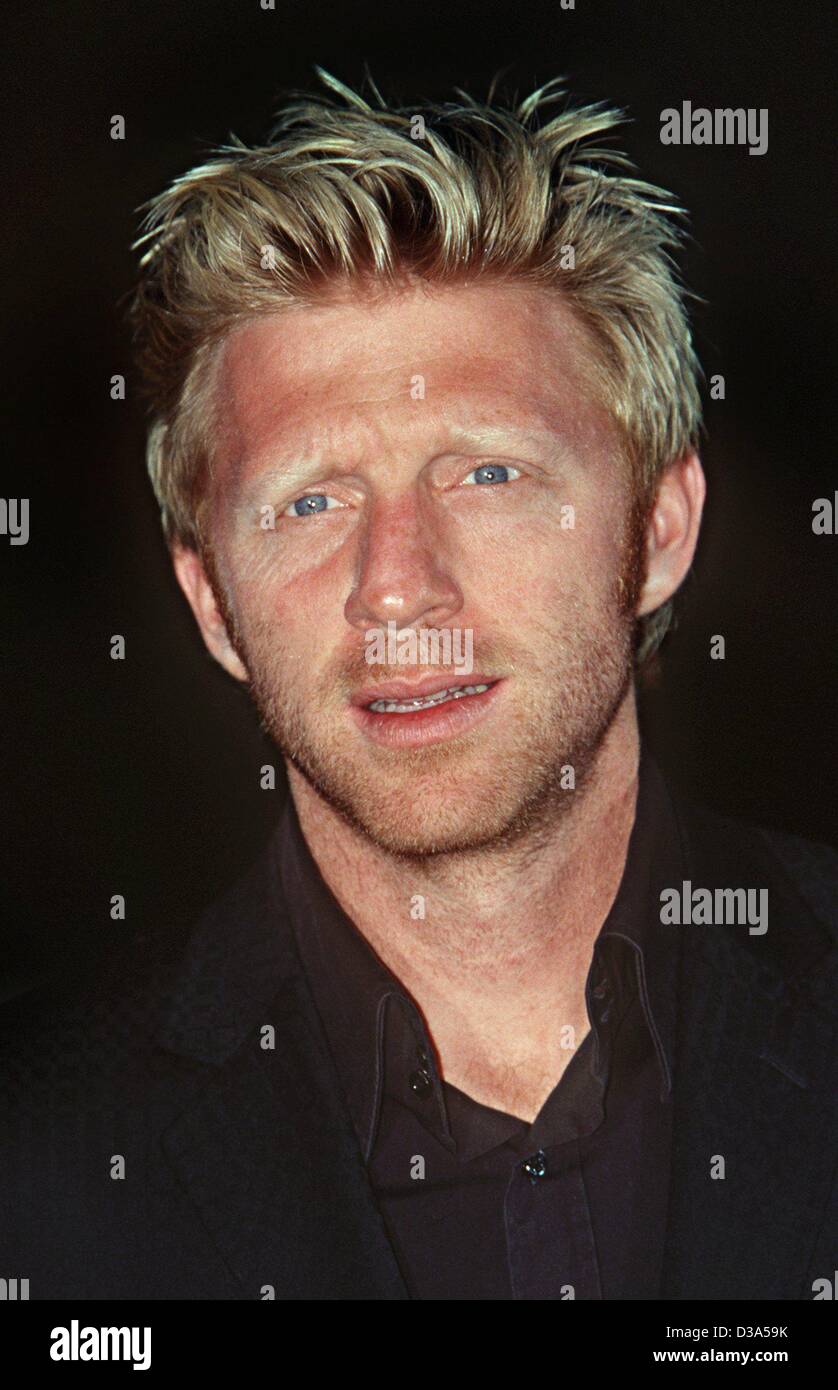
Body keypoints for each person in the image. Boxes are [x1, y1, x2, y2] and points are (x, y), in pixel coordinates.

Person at [2, 72, 835, 1300]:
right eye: (311, 500)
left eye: (487, 474)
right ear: (211, 601)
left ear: (658, 527)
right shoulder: (35, 1158)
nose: (396, 587)